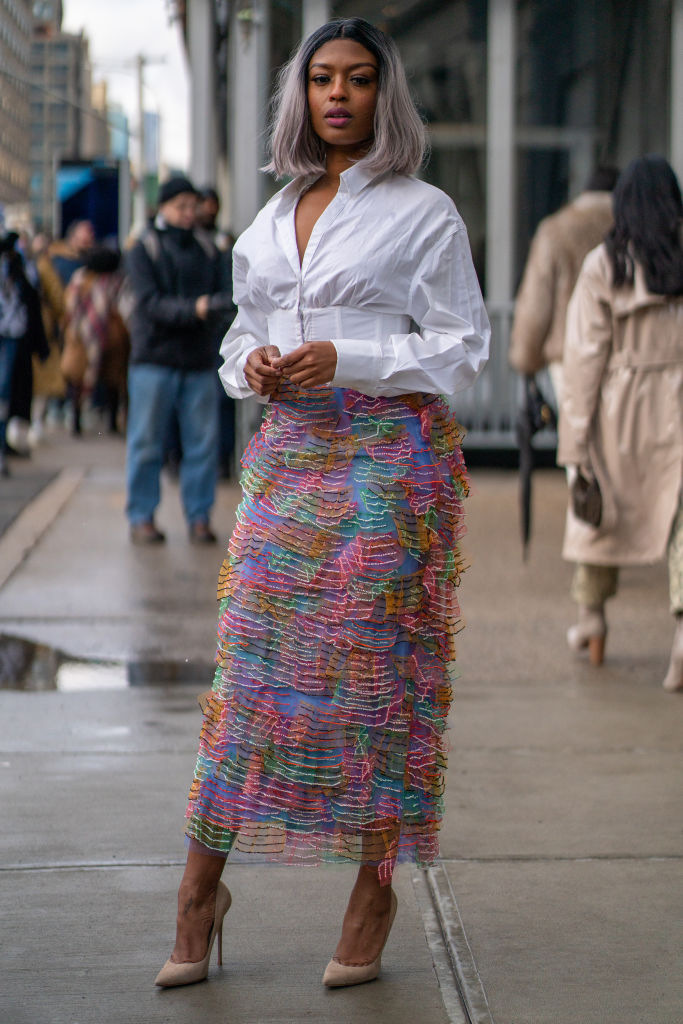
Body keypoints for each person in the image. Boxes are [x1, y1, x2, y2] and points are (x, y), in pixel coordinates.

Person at [154, 18, 489, 991]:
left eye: (356, 80)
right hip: (289, 456)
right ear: (299, 97)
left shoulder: (423, 210)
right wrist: (249, 363)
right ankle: (197, 889)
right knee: (250, 672)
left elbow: (462, 346)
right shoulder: (266, 218)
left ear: (384, 97)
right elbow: (235, 342)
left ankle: (372, 886)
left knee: (376, 678)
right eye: (320, 80)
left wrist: (356, 358)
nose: (336, 95)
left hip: (390, 460)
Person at [558, 155, 683, 691]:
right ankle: (681, 640)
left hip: (620, 406)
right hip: (678, 402)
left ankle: (592, 620)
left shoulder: (603, 265)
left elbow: (584, 359)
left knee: (597, 512)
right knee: (680, 523)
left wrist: (575, 443)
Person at [125, 176, 235, 545]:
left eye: (194, 206)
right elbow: (150, 303)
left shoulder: (211, 248)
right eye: (181, 206)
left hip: (199, 362)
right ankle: (142, 516)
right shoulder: (145, 247)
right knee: (146, 444)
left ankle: (199, 517)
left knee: (202, 445)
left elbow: (227, 295)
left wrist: (212, 307)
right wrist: (198, 308)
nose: (189, 213)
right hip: (153, 361)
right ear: (164, 207)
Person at [509, 166, 619, 404]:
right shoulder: (634, 228)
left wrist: (526, 357)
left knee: (574, 433)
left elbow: (537, 302)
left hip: (568, 355)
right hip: (623, 356)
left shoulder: (556, 230)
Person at [61, 247, 130, 435]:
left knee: (96, 380)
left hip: (84, 335)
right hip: (96, 335)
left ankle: (87, 421)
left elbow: (70, 306)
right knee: (104, 380)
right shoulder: (114, 280)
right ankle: (100, 422)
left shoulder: (80, 278)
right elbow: (124, 306)